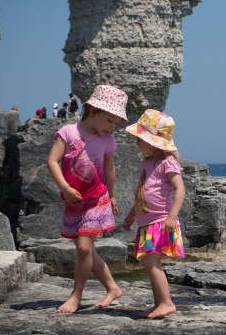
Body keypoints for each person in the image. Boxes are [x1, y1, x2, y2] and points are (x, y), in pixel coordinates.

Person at [46, 84, 128, 313]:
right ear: (93, 111)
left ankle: (76, 296)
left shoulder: (108, 141)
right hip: (74, 201)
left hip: (96, 199)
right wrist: (64, 187)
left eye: (116, 123)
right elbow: (52, 161)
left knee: (83, 248)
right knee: (88, 251)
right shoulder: (69, 133)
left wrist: (112, 196)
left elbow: (110, 170)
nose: (113, 127)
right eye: (110, 121)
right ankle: (112, 288)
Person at [122, 109, 185, 319]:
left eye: (139, 139)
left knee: (152, 263)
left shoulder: (168, 162)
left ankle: (167, 303)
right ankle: (159, 303)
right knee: (150, 265)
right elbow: (142, 193)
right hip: (146, 222)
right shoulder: (148, 163)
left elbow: (180, 189)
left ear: (151, 142)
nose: (136, 144)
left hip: (160, 221)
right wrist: (132, 215)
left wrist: (172, 216)